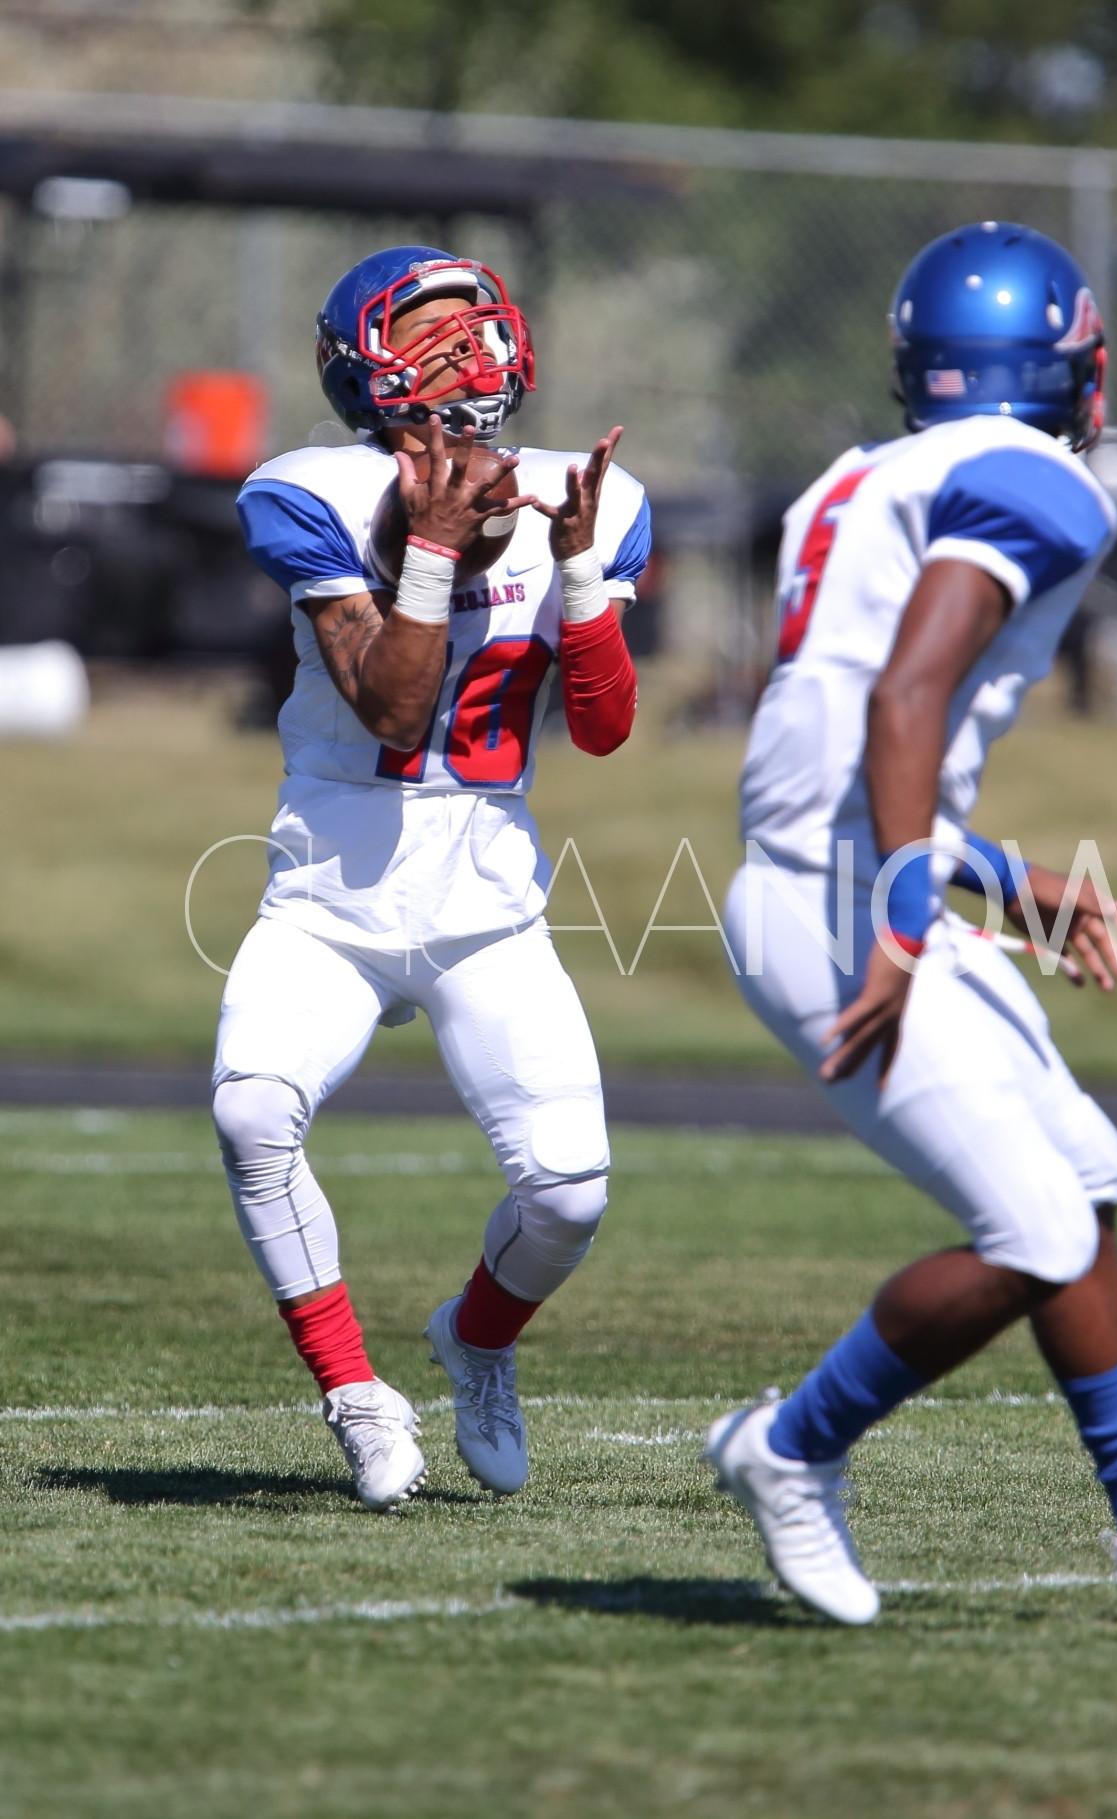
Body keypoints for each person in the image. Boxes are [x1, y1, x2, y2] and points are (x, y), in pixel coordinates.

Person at [706, 222, 1117, 1624]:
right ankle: (790, 1446)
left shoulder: (857, 476)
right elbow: (900, 701)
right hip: (845, 899)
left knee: (1085, 1170)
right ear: (1066, 365)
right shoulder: (1038, 484)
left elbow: (822, 741)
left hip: (839, 866)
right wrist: (897, 908)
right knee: (1036, 1227)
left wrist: (993, 875)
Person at [216, 246, 648, 1509]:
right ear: (366, 366)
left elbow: (609, 727)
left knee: (569, 1192)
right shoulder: (316, 494)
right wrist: (431, 549)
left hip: (487, 899)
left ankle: (478, 1337)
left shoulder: (592, 495)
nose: (464, 352)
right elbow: (396, 715)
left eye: (476, 327)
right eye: (431, 333)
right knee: (252, 1112)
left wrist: (573, 575)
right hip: (333, 887)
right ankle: (357, 1395)